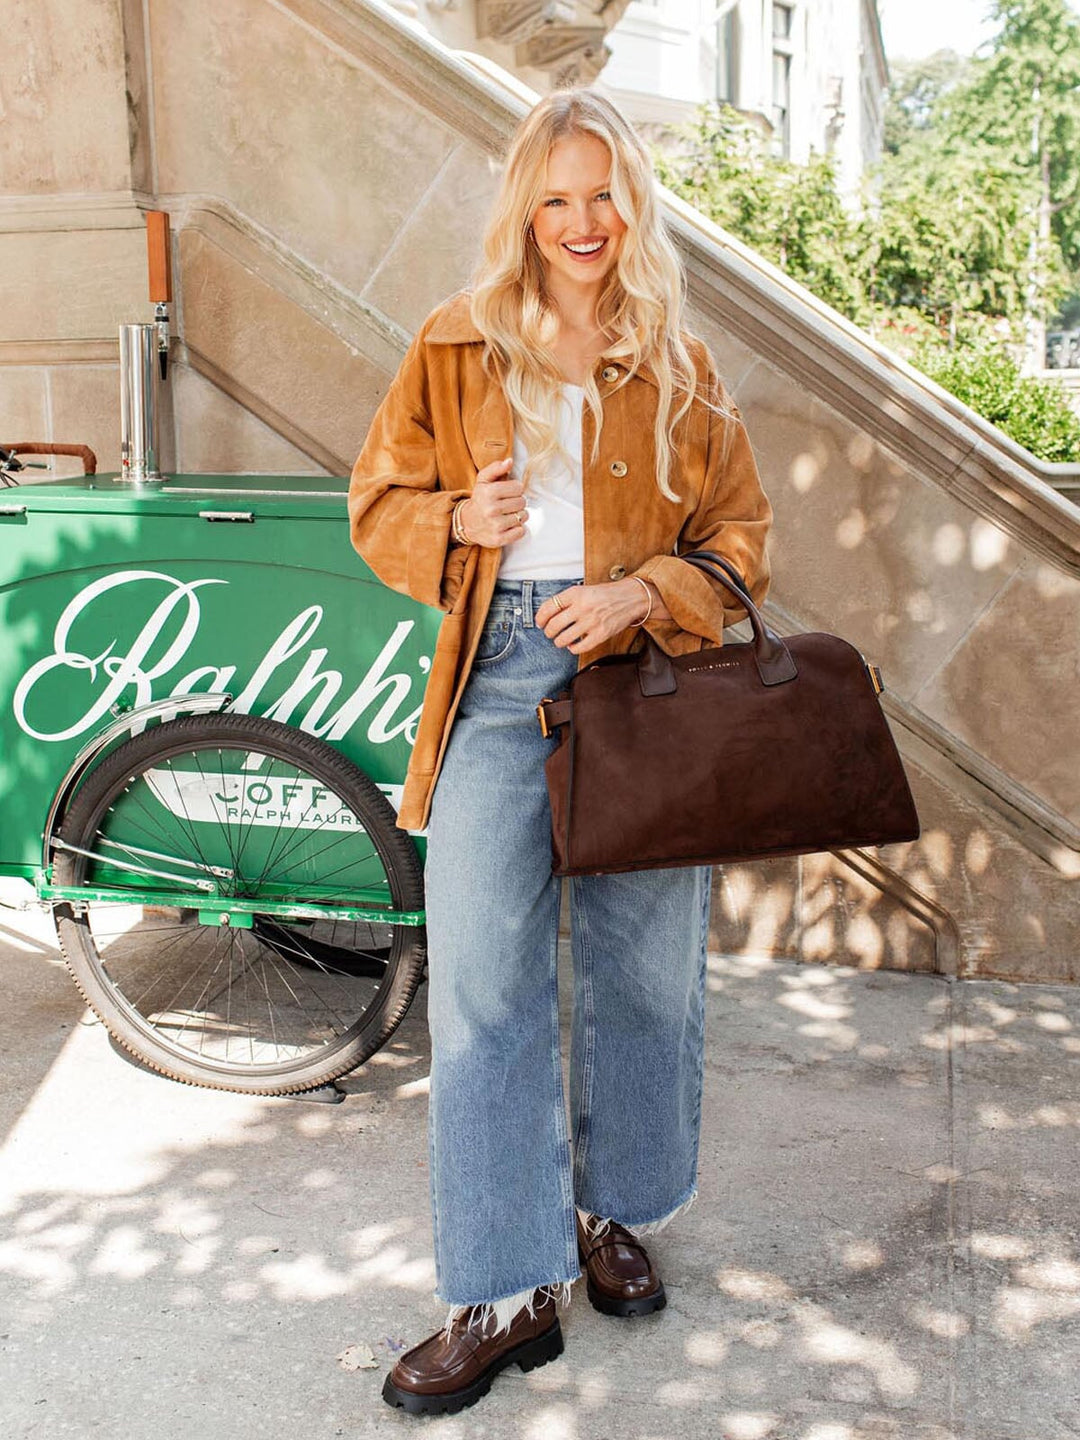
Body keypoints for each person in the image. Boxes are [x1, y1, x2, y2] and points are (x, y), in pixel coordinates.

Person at [348, 86, 772, 1417]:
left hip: (639, 683)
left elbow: (741, 543)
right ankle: (502, 1289)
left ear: (630, 207)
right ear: (524, 210)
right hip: (495, 685)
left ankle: (612, 1214)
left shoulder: (681, 366)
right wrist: (460, 524)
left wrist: (648, 595)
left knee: (647, 979)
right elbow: (376, 507)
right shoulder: (455, 345)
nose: (581, 222)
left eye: (603, 195)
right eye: (556, 197)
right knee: (482, 995)